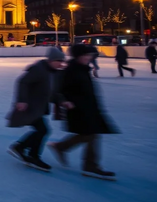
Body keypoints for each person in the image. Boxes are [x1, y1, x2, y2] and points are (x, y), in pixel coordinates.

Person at [47, 44, 119, 181]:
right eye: (85, 55)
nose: (88, 58)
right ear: (78, 56)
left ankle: (63, 148)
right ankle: (88, 164)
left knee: (91, 134)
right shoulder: (70, 70)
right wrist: (65, 101)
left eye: (90, 55)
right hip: (77, 109)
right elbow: (57, 90)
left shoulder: (82, 69)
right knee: (91, 134)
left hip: (88, 108)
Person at [6, 47, 68, 172]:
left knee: (42, 130)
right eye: (58, 61)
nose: (61, 64)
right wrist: (22, 100)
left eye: (62, 61)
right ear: (50, 60)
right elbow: (22, 81)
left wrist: (62, 101)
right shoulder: (39, 69)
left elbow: (53, 91)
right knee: (43, 130)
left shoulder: (53, 72)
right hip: (30, 106)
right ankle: (30, 154)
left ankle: (22, 148)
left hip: (38, 107)